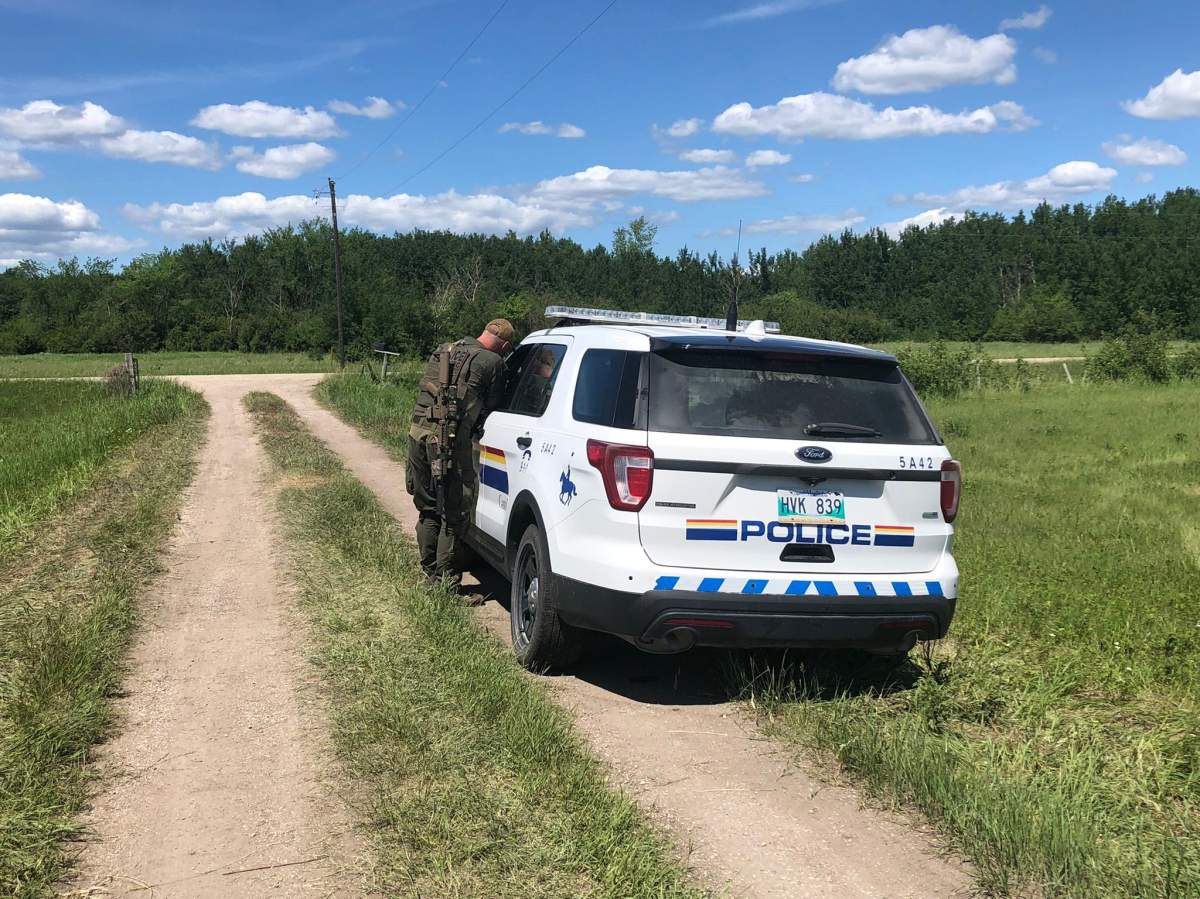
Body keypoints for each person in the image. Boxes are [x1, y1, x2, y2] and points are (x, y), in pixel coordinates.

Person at [406, 319, 514, 585]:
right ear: (506, 345)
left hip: (417, 435)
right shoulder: (493, 362)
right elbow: (493, 406)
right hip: (449, 442)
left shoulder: (445, 348)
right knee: (455, 512)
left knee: (428, 507)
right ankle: (446, 583)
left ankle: (430, 573)